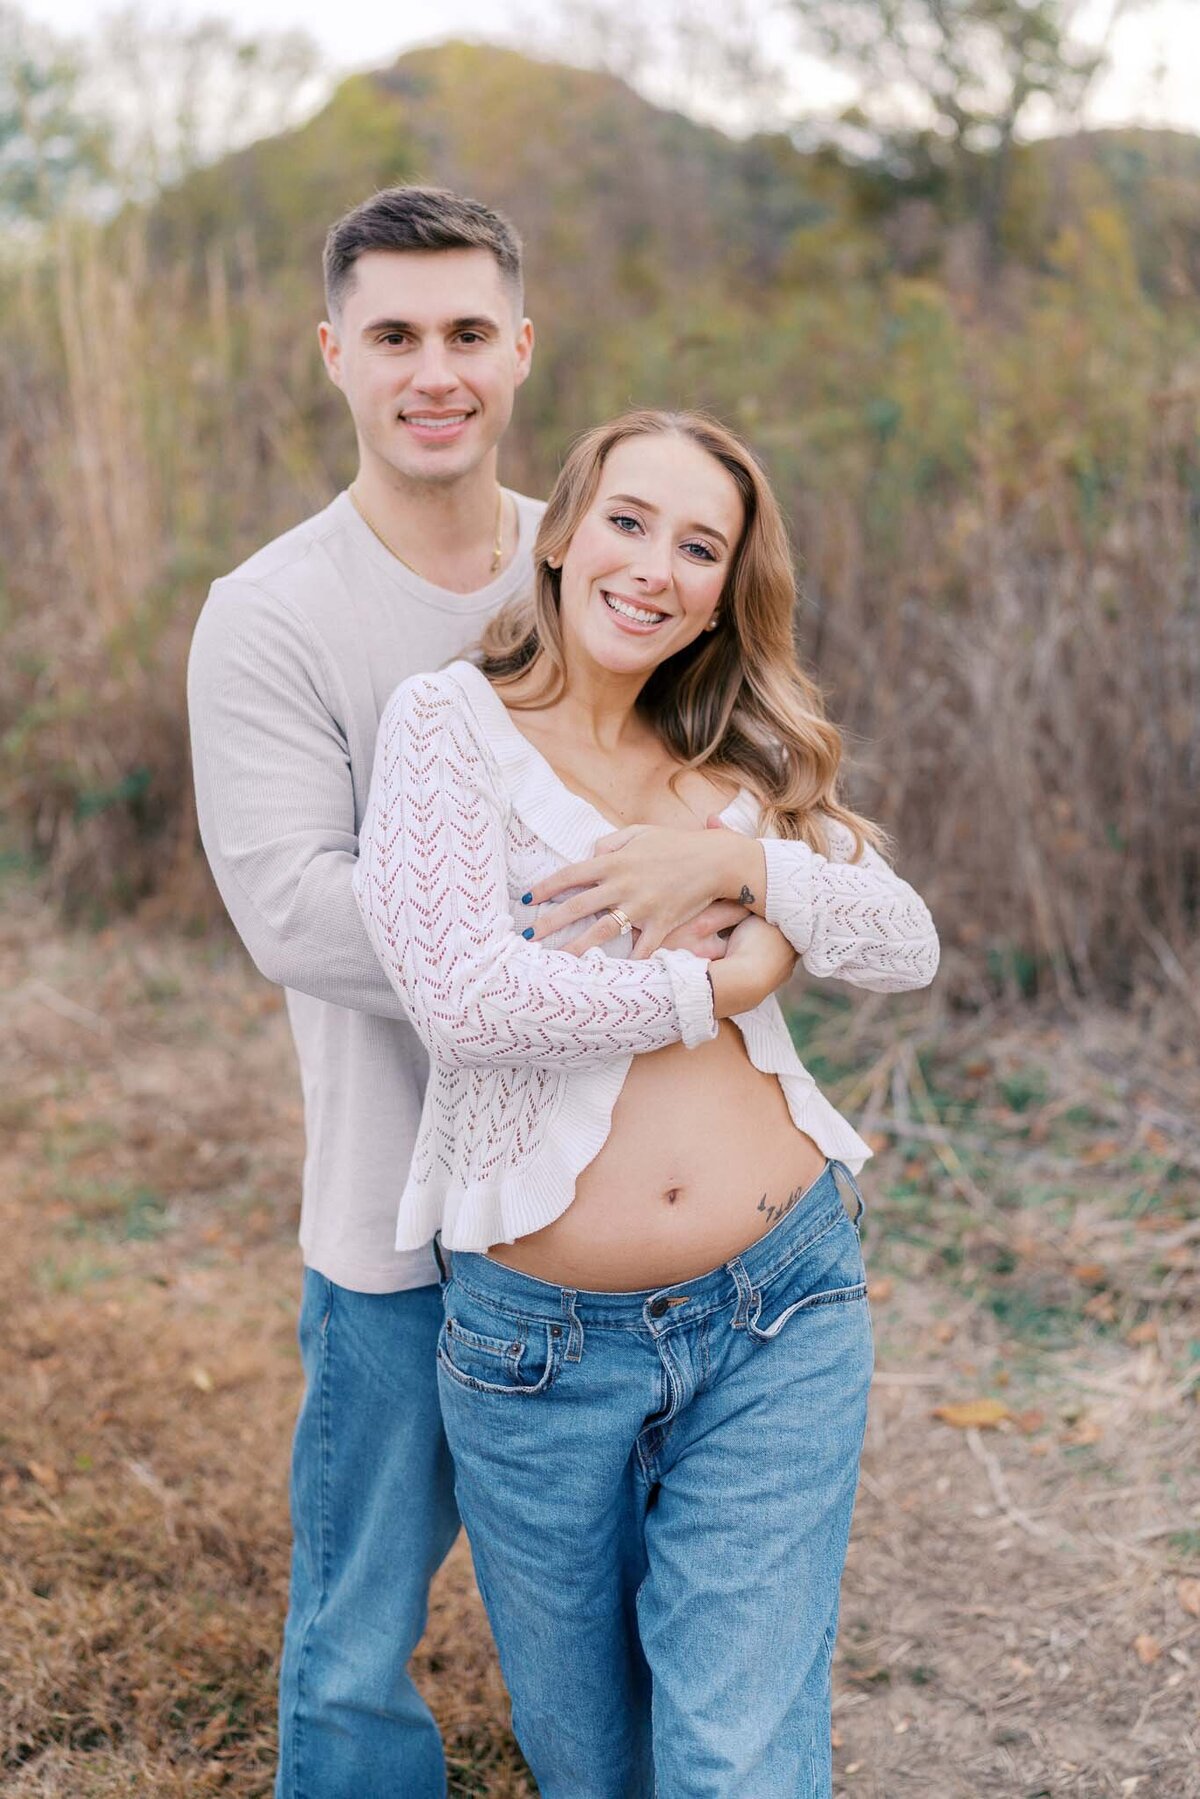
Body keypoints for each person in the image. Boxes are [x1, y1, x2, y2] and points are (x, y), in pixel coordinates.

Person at [353, 408, 941, 1797]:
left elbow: (900, 941)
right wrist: (712, 994)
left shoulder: (732, 755)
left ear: (727, 587)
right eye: (628, 522)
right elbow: (467, 1001)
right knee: (593, 1760)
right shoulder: (444, 726)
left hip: (783, 1304)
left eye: (700, 546)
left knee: (732, 1762)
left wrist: (743, 876)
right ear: (559, 535)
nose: (655, 567)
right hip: (537, 1354)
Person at [187, 185, 543, 1799]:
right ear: (333, 354)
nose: (434, 371)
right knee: (353, 1644)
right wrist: (599, 922)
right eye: (394, 335)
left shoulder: (595, 564)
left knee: (604, 1624)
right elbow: (297, 914)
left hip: (609, 1215)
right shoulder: (272, 613)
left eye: (467, 333)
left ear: (521, 349)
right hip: (395, 1218)